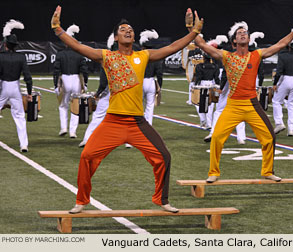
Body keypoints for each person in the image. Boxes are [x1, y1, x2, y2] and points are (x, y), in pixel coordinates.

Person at [51, 5, 203, 213]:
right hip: (112, 122)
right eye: (123, 29)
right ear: (116, 37)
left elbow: (172, 48)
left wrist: (194, 33)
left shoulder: (144, 55)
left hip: (137, 124)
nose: (128, 31)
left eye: (130, 29)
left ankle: (162, 200)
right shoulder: (107, 56)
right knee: (87, 157)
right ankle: (81, 200)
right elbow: (78, 47)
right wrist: (58, 29)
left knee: (164, 157)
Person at [185, 9, 293, 183]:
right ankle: (213, 172)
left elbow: (279, 45)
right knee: (217, 137)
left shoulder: (257, 55)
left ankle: (267, 170)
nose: (242, 34)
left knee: (269, 137)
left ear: (249, 39)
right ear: (234, 41)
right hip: (232, 105)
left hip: (252, 105)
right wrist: (191, 28)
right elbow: (202, 45)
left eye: (245, 33)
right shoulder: (226, 56)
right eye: (239, 33)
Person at [78, 34, 116, 148]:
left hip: (109, 92)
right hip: (124, 93)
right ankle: (129, 142)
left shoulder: (108, 57)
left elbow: (104, 82)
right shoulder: (127, 57)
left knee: (98, 116)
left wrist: (97, 94)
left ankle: (87, 138)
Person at [0, 19, 32, 152]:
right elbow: (28, 77)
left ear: (5, 44)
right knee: (19, 117)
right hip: (15, 88)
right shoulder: (21, 57)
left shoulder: (1, 56)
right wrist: (29, 93)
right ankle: (23, 144)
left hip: (2, 87)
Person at [53, 24, 89, 138]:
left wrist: (56, 85)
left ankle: (63, 128)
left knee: (63, 105)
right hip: (76, 81)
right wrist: (85, 83)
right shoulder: (79, 54)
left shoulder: (60, 54)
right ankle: (72, 131)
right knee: (75, 107)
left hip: (64, 79)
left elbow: (56, 71)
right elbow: (84, 70)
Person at [139, 29, 163, 126]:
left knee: (139, 105)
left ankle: (138, 124)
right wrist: (159, 86)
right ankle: (148, 125)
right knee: (150, 105)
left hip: (140, 82)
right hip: (151, 82)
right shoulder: (155, 57)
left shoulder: (139, 56)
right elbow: (159, 73)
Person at [193, 52, 220, 129]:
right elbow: (216, 78)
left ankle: (203, 120)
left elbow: (198, 77)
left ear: (204, 58)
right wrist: (218, 86)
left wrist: (196, 86)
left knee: (198, 103)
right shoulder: (215, 66)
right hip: (211, 84)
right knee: (210, 105)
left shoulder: (199, 66)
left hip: (202, 84)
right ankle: (209, 123)